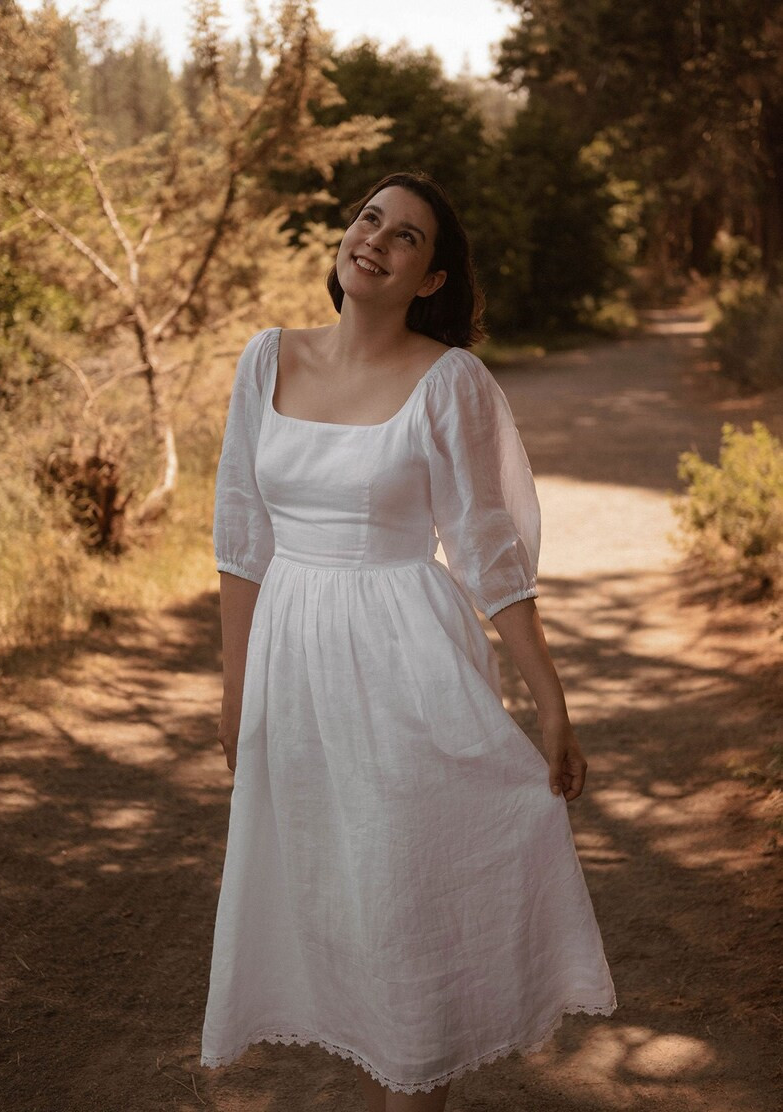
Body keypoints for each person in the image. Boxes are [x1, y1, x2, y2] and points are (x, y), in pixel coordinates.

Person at [200, 170, 617, 1111]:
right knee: (327, 894)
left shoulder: (448, 381)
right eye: (368, 219)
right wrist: (235, 693)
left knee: (404, 904)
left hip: (403, 662)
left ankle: (418, 1081)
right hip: (292, 666)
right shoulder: (266, 360)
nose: (376, 241)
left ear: (431, 279)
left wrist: (550, 699)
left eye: (407, 238)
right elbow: (241, 541)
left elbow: (488, 551)